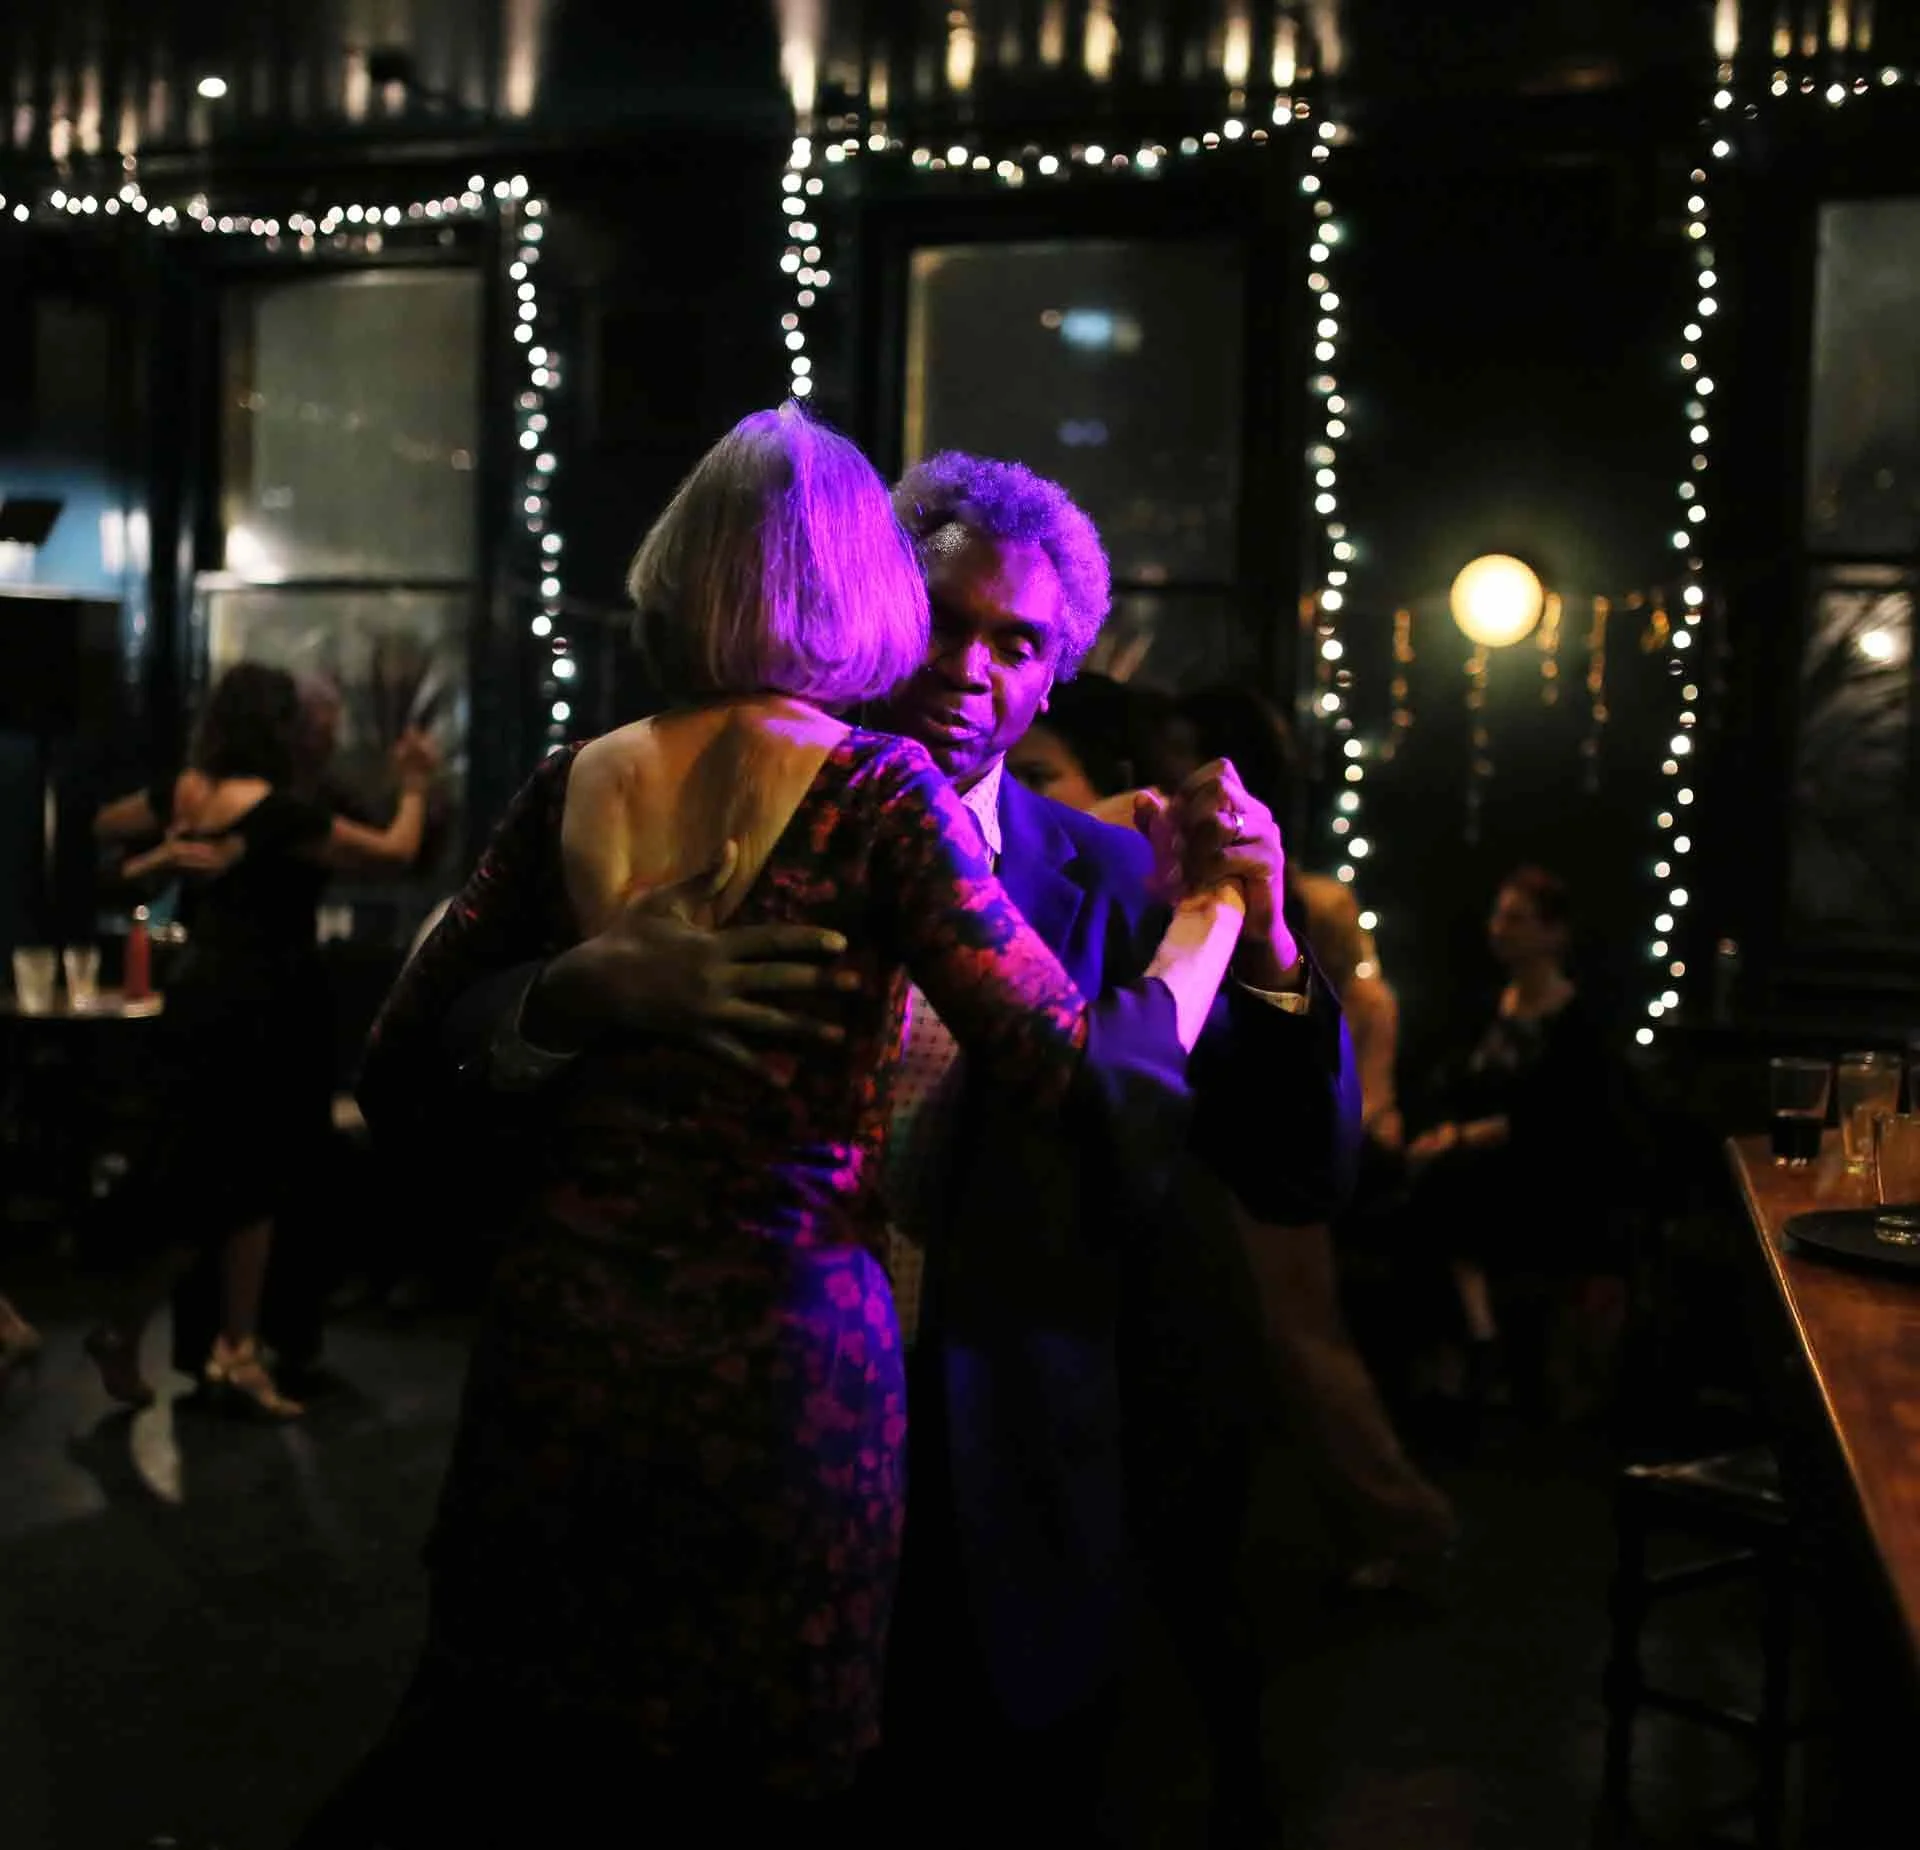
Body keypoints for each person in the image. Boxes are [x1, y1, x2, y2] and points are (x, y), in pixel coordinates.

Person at [297, 408, 1251, 1843]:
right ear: (873, 592)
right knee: (763, 1775)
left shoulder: (575, 778)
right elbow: (1076, 1070)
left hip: (563, 1348)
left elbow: (395, 1069)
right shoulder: (879, 796)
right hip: (786, 1369)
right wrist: (1211, 919)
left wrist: (563, 995)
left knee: (541, 1759)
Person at [81, 663, 438, 1418]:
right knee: (238, 1183)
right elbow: (395, 852)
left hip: (199, 995)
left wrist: (156, 859)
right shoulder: (277, 812)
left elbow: (104, 829)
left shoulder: (188, 792)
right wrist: (414, 784)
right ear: (275, 727)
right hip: (266, 1006)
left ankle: (224, 1348)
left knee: (232, 1183)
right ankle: (147, 1334)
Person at [1404, 866, 1631, 1430]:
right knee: (1413, 1180)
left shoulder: (1578, 1020)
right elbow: (1451, 1085)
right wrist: (1439, 1129)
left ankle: (1475, 1350)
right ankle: (1470, 1342)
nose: (1499, 928)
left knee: (1444, 1184)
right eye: (1498, 915)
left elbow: (1561, 1119)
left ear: (1554, 934)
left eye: (1516, 917)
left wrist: (1463, 1136)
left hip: (1542, 1174)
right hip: (1473, 1161)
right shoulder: (1489, 1007)